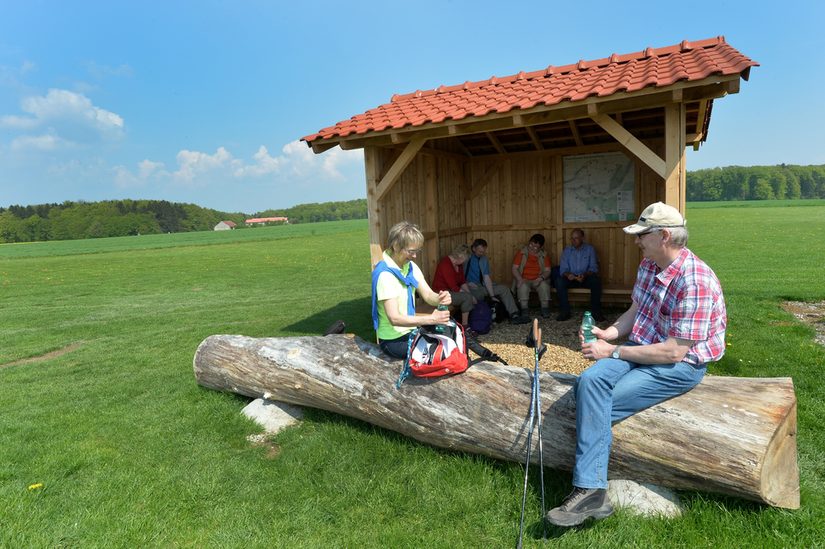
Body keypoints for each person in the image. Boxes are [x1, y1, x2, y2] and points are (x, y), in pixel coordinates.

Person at [545, 202, 727, 527]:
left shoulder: (696, 280)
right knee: (587, 384)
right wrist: (609, 333)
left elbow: (673, 352)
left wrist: (612, 352)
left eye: (643, 235)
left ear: (665, 236)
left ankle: (589, 489)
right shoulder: (649, 265)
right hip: (641, 347)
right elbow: (635, 312)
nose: (637, 241)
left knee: (600, 402)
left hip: (680, 366)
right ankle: (593, 489)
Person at [371, 221, 451, 359]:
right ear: (396, 246)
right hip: (393, 341)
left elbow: (428, 295)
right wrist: (431, 319)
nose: (415, 256)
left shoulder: (410, 267)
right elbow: (394, 318)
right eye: (411, 251)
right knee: (440, 352)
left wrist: (440, 298)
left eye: (417, 251)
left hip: (410, 331)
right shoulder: (385, 275)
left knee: (450, 338)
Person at [464, 238, 530, 325]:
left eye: (483, 251)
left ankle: (514, 314)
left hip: (483, 285)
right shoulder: (466, 258)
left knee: (504, 289)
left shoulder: (484, 259)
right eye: (480, 251)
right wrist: (467, 283)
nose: (482, 253)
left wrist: (492, 295)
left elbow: (486, 277)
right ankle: (481, 317)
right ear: (473, 249)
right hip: (470, 287)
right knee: (478, 296)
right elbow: (458, 276)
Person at [556, 228, 604, 322]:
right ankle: (565, 312)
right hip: (572, 278)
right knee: (559, 281)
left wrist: (584, 275)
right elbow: (563, 269)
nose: (573, 241)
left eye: (576, 238)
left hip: (585, 277)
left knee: (596, 281)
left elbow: (593, 267)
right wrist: (568, 275)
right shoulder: (567, 250)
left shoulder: (589, 249)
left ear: (582, 238)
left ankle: (596, 313)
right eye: (572, 238)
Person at [432, 244, 477, 334]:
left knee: (472, 294)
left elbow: (462, 282)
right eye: (464, 259)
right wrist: (470, 296)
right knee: (466, 298)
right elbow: (454, 286)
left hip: (451, 291)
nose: (465, 262)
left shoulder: (458, 265)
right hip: (441, 293)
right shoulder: (445, 264)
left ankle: (470, 322)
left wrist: (471, 295)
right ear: (460, 257)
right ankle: (465, 327)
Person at [511, 233, 553, 318]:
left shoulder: (544, 255)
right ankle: (524, 310)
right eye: (531, 244)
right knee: (522, 287)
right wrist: (519, 279)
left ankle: (545, 309)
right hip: (524, 279)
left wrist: (541, 278)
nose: (532, 248)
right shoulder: (522, 253)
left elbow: (548, 270)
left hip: (538, 278)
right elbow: (514, 268)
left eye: (536, 247)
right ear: (529, 242)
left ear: (540, 247)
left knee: (544, 286)